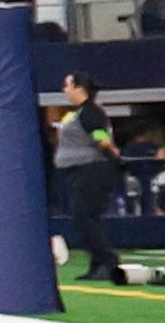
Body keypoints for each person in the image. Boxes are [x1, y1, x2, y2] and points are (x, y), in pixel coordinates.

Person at [50, 74, 132, 287]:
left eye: (67, 85)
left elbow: (102, 139)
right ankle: (97, 264)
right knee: (86, 218)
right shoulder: (82, 113)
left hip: (92, 170)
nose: (64, 90)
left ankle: (107, 260)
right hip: (82, 171)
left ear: (78, 88)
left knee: (84, 217)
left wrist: (114, 155)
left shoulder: (90, 113)